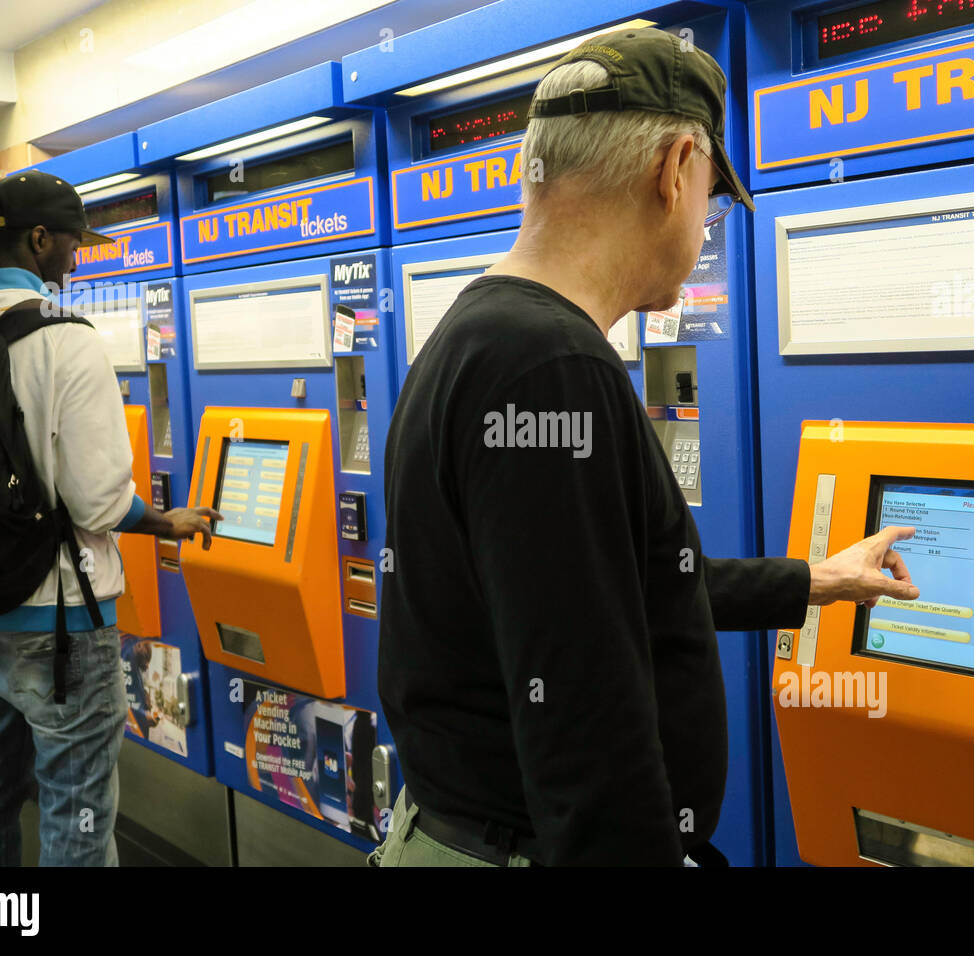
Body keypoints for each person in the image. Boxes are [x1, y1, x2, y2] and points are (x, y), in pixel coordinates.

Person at [372, 29, 920, 867]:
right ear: (672, 171)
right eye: (710, 193)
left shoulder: (481, 332)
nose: (704, 222)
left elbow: (613, 590)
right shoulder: (552, 368)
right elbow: (587, 731)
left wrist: (820, 581)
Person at [0, 171, 218, 866]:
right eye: (72, 243)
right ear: (40, 239)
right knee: (76, 810)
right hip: (65, 626)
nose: (77, 259)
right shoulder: (67, 340)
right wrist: (164, 521)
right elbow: (98, 500)